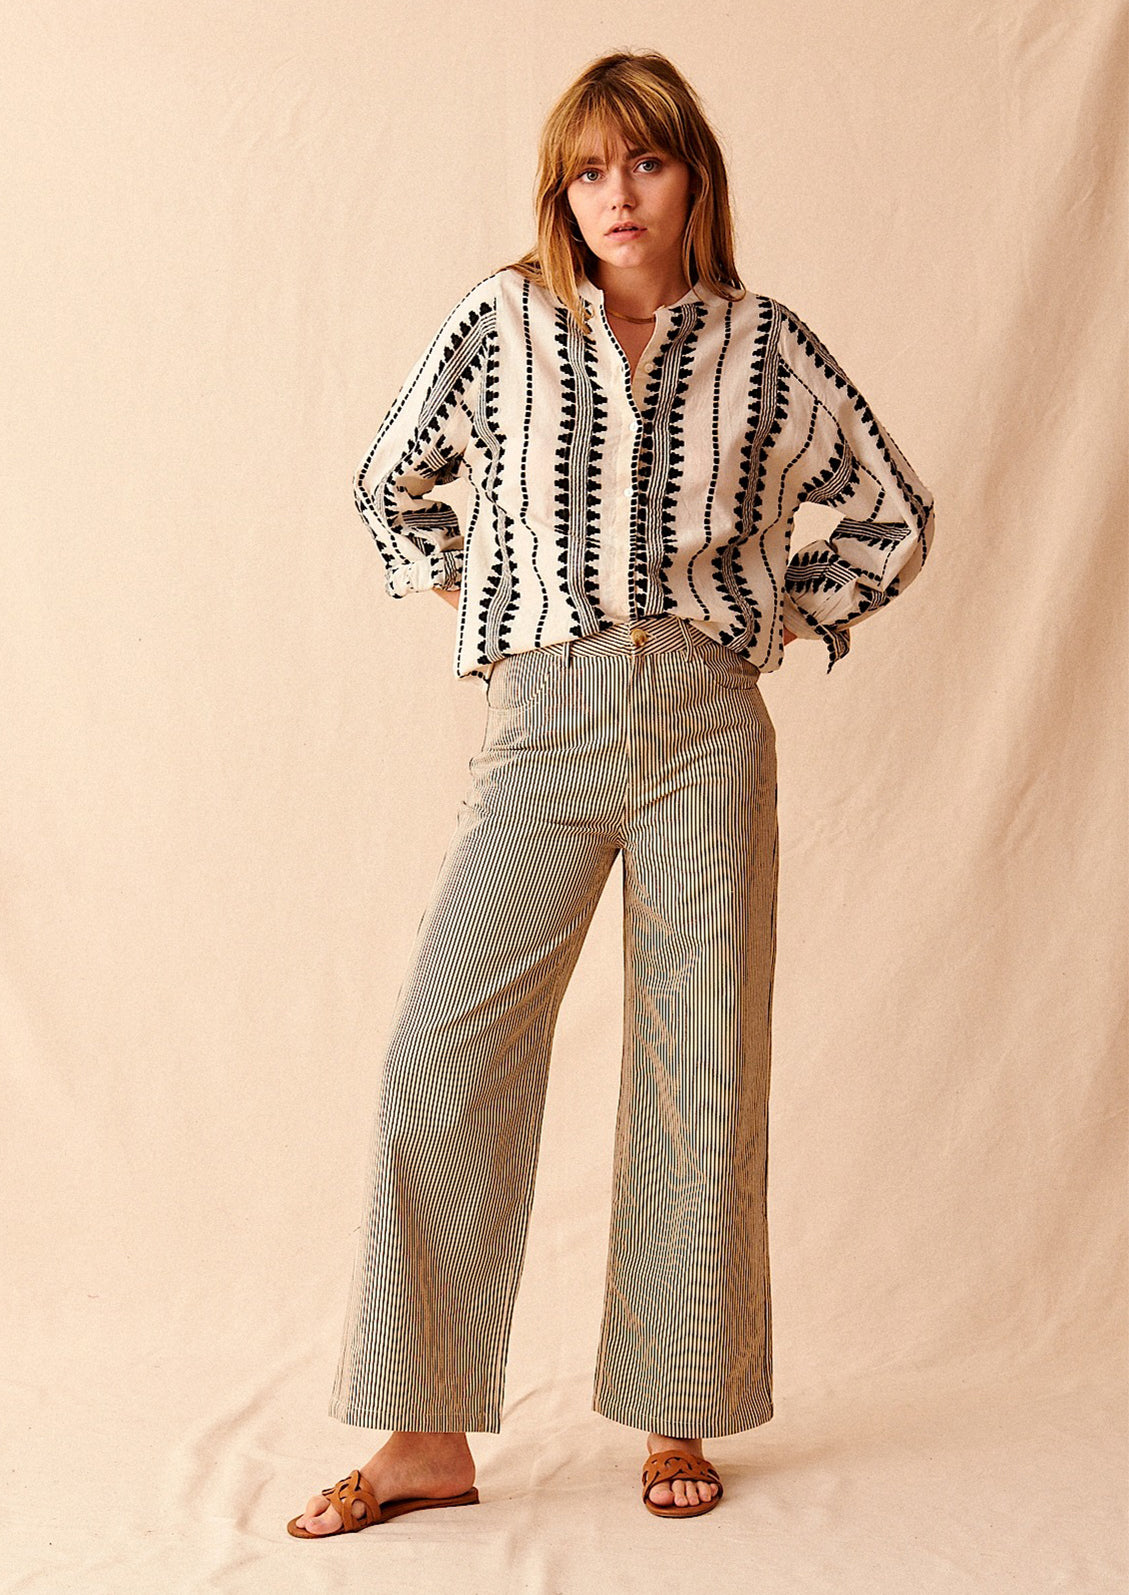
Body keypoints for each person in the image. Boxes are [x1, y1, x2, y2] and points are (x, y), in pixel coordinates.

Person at [289, 47, 935, 1538]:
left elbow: (892, 511)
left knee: (695, 1071)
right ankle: (423, 1436)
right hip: (546, 721)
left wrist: (772, 617)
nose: (616, 194)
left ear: (693, 177)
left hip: (706, 726)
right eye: (588, 170)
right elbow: (389, 481)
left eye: (644, 161)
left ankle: (674, 1409)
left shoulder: (763, 346)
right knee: (440, 1055)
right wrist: (490, 606)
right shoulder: (501, 322)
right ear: (559, 191)